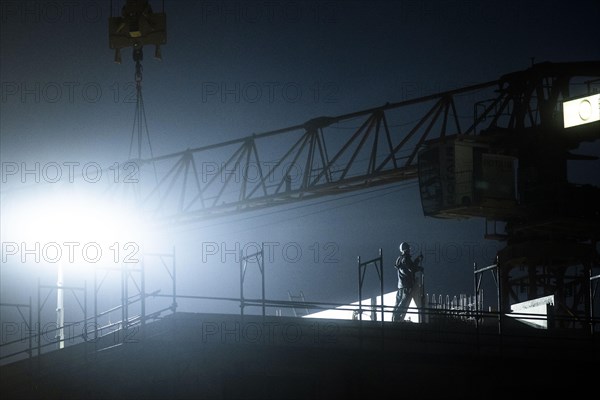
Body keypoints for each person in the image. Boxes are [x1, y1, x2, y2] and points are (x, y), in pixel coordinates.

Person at [392, 242, 424, 322]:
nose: (410, 250)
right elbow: (411, 269)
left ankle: (394, 318)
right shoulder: (406, 258)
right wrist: (419, 265)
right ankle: (396, 318)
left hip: (400, 285)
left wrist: (417, 261)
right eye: (409, 248)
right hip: (407, 284)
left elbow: (408, 268)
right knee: (403, 303)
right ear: (406, 249)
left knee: (398, 302)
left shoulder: (400, 258)